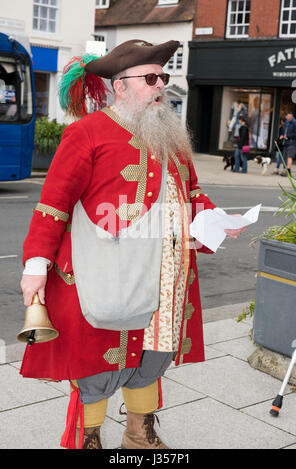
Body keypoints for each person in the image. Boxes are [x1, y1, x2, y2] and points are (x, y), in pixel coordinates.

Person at [19, 39, 246, 450]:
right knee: (96, 357)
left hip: (168, 277)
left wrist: (215, 220)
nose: (161, 85)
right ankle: (89, 437)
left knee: (154, 353)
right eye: (151, 78)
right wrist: (36, 264)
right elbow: (53, 204)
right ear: (120, 85)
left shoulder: (173, 137)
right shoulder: (86, 133)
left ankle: (139, 435)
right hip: (105, 273)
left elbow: (193, 193)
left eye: (164, 76)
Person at [280, 111, 296, 177]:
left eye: (290, 116)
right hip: (285, 143)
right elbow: (283, 131)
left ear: (292, 116)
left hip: (292, 143)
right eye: (288, 116)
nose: (289, 118)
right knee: (285, 157)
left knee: (290, 156)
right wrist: (282, 135)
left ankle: (288, 171)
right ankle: (285, 170)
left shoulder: (295, 123)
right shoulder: (286, 123)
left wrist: (288, 136)